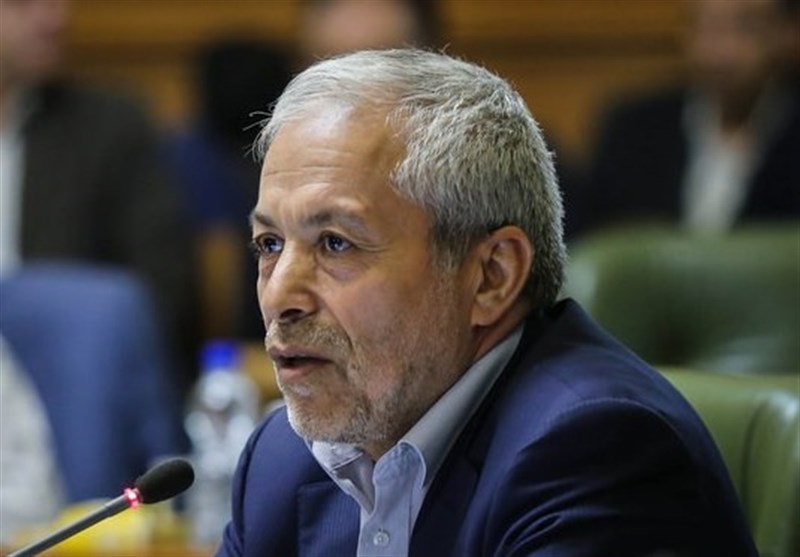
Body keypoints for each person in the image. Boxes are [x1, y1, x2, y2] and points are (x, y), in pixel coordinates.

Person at [215, 49, 756, 556]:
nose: (279, 294)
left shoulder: (598, 451)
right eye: (270, 244)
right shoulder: (283, 459)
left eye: (336, 243)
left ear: (492, 277)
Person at [0, 0, 197, 388]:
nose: (54, 17)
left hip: (66, 381)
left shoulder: (110, 127)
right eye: (22, 3)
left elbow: (165, 292)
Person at [578, 0, 800, 237]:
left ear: (786, 33)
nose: (723, 52)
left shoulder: (791, 134)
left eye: (746, 27)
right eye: (708, 26)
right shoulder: (632, 130)